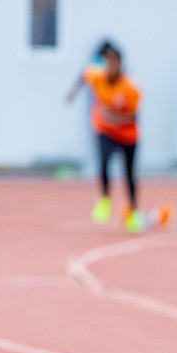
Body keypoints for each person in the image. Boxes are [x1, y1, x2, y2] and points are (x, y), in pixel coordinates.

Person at [65, 42, 143, 231]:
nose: (110, 66)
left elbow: (134, 116)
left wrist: (114, 117)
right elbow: (84, 75)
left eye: (114, 62)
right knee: (104, 161)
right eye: (108, 62)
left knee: (129, 174)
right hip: (105, 130)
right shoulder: (97, 75)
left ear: (120, 63)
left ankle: (132, 212)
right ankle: (105, 199)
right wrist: (72, 93)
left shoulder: (130, 88)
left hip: (127, 134)